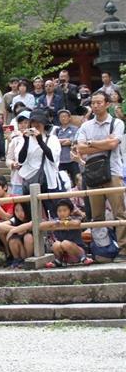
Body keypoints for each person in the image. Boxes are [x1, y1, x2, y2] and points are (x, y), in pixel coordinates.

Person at [76, 91, 126, 258]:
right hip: (92, 174)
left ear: (107, 104)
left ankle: (123, 248)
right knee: (96, 215)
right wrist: (103, 143)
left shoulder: (116, 123)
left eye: (99, 102)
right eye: (93, 103)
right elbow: (80, 149)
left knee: (119, 212)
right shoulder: (86, 126)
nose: (95, 106)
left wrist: (91, 143)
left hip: (113, 172)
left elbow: (113, 144)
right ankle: (102, 250)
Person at [18, 109, 62, 217]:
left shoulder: (52, 139)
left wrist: (40, 141)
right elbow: (21, 160)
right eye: (33, 122)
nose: (36, 125)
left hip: (47, 181)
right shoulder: (24, 139)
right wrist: (26, 141)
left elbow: (52, 157)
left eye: (39, 122)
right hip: (29, 180)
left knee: (50, 212)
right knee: (32, 213)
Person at [41, 199, 93, 268]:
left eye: (65, 210)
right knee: (56, 244)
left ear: (70, 211)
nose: (62, 213)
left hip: (77, 251)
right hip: (64, 254)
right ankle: (59, 260)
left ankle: (83, 258)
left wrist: (64, 223)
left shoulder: (74, 218)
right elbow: (42, 225)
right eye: (59, 211)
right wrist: (58, 222)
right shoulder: (56, 221)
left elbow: (77, 223)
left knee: (65, 243)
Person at [0, 202, 33, 269]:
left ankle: (28, 261)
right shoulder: (15, 219)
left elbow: (30, 224)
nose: (19, 213)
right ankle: (17, 260)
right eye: (16, 210)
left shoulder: (32, 218)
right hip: (21, 251)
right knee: (13, 240)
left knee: (28, 237)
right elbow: (0, 225)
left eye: (22, 210)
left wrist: (14, 230)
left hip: (32, 251)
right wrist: (17, 229)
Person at [6, 110, 31, 195]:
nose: (23, 125)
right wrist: (13, 164)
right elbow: (8, 159)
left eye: (26, 122)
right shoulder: (15, 139)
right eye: (20, 123)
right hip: (17, 179)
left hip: (32, 178)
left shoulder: (36, 138)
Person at [54, 109, 80, 185]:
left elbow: (74, 140)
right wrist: (67, 140)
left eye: (65, 116)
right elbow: (54, 141)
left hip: (72, 159)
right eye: (61, 117)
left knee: (76, 179)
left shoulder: (75, 129)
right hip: (60, 160)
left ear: (69, 118)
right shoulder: (56, 130)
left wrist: (63, 141)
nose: (63, 118)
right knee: (62, 182)